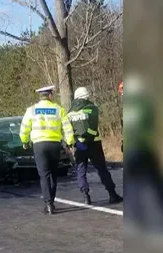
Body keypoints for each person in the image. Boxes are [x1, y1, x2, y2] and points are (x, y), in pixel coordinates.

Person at [19, 85, 75, 215]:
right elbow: (67, 127)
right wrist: (69, 142)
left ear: (41, 96)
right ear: (50, 96)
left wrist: (24, 141)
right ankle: (52, 201)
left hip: (39, 145)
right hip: (54, 144)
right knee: (53, 174)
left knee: (44, 174)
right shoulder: (58, 109)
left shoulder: (31, 110)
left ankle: (48, 203)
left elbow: (24, 128)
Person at [67, 87, 123, 205]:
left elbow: (68, 129)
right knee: (102, 169)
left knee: (81, 170)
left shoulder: (70, 112)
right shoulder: (92, 108)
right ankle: (112, 194)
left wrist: (76, 141)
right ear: (86, 96)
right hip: (93, 144)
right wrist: (87, 140)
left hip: (78, 145)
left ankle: (85, 195)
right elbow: (93, 127)